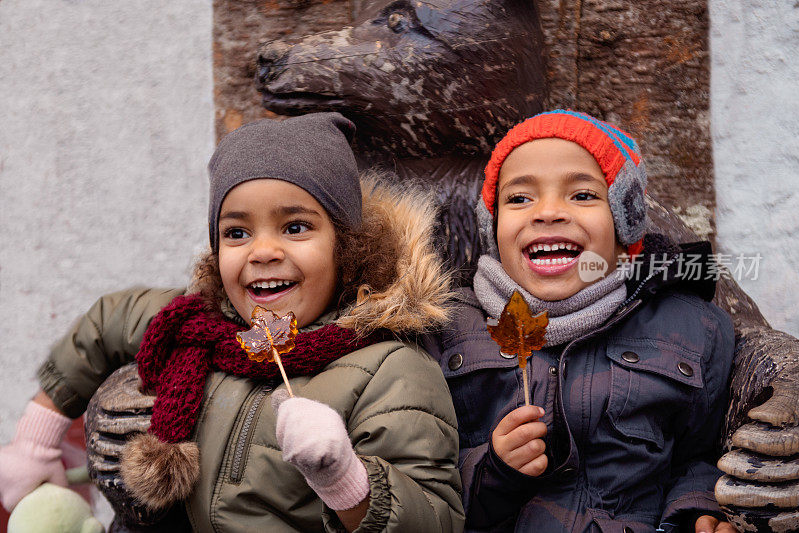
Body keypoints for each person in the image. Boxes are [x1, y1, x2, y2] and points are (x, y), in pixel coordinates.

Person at [0, 112, 464, 533]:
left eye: (295, 227)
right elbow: (107, 322)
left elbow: (435, 517)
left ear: (348, 245)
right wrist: (35, 444)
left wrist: (344, 479)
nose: (262, 251)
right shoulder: (198, 323)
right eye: (237, 232)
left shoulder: (390, 369)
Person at [420, 110, 737, 532]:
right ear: (491, 225)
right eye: (519, 198)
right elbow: (418, 477)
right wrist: (492, 467)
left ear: (624, 222)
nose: (548, 212)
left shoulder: (693, 329)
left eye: (582, 195)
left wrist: (699, 509)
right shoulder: (446, 323)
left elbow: (701, 456)